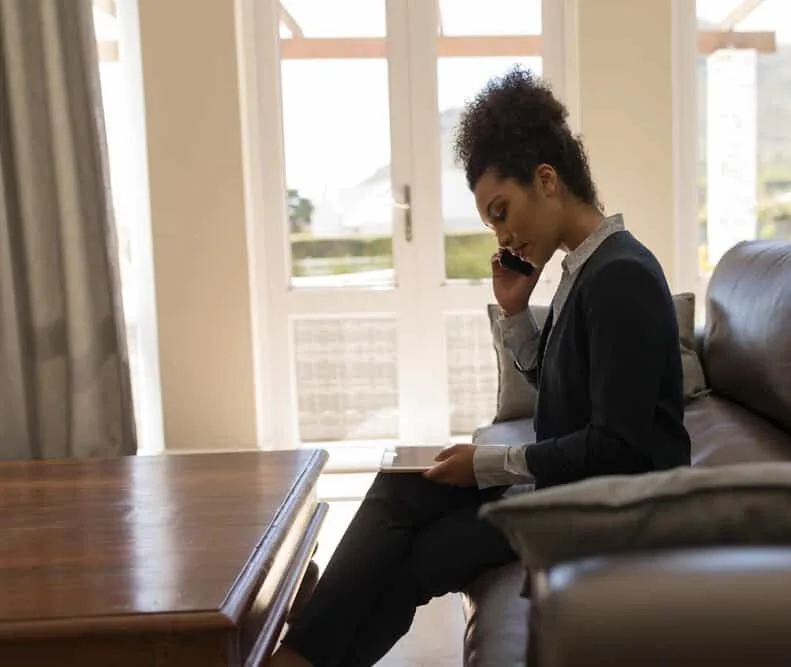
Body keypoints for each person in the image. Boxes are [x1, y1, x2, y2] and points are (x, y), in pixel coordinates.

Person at [268, 66, 691, 667]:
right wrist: (516, 313)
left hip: (609, 506)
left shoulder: (621, 274)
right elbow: (562, 391)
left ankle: (303, 652)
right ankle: (307, 651)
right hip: (571, 484)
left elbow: (617, 446)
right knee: (400, 490)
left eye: (501, 210)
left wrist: (489, 464)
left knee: (419, 555)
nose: (502, 234)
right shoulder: (585, 267)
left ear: (546, 180)